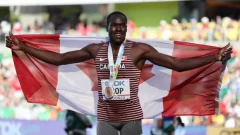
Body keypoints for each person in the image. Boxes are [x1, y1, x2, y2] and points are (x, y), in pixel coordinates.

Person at [6, 11, 232, 135]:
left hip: (132, 118)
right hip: (105, 119)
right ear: (107, 28)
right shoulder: (96, 50)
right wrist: (25, 48)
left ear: (126, 28)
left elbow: (176, 64)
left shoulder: (139, 50)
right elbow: (61, 59)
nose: (119, 29)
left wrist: (213, 57)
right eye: (114, 25)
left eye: (122, 25)